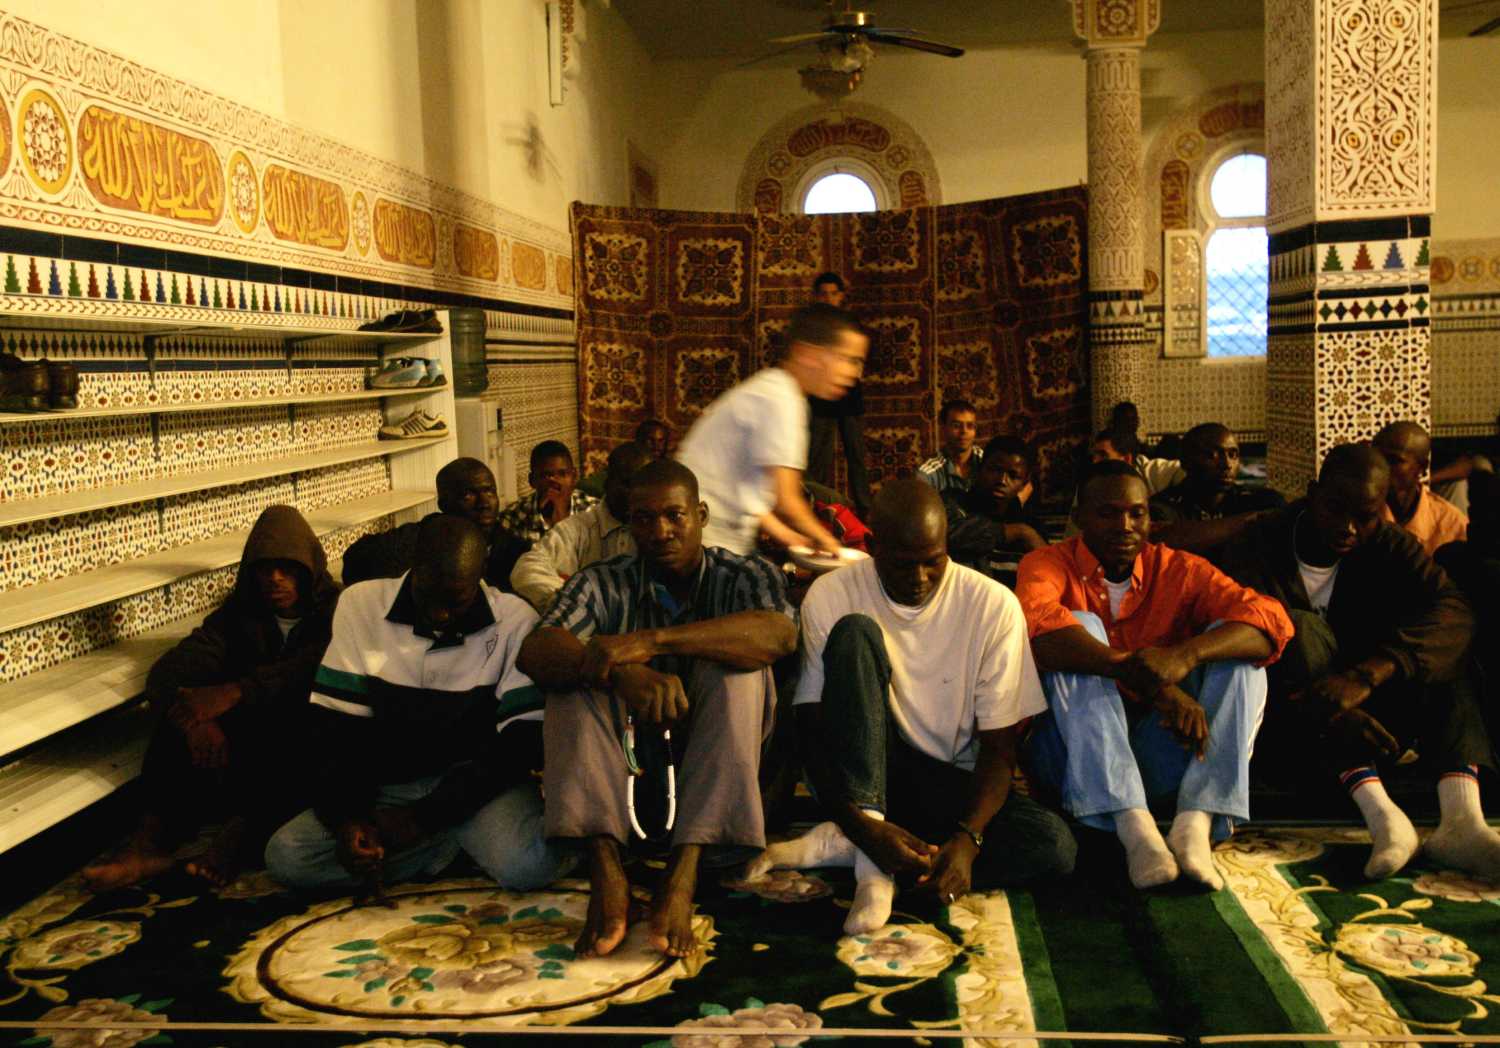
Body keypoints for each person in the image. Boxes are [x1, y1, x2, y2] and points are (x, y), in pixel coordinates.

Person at [749, 480, 1075, 934]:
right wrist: (861, 822)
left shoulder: (993, 606)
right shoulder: (832, 594)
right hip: (854, 775)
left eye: (933, 562)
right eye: (903, 565)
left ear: (947, 548)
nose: (920, 578)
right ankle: (871, 866)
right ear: (874, 546)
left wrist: (968, 840)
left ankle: (859, 846)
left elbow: (999, 751)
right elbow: (811, 732)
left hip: (936, 782)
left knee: (1053, 846)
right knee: (856, 633)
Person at [517, 460, 796, 959]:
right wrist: (618, 672)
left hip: (722, 772)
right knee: (575, 676)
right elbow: (535, 650)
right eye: (643, 519)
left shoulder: (744, 575)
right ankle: (607, 872)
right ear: (628, 526)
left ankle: (683, 874)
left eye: (674, 515)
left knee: (736, 671)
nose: (660, 531)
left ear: (701, 515)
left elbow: (779, 634)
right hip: (631, 769)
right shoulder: (602, 581)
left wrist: (649, 642)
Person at [1222, 444, 1498, 880]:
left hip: (1371, 707)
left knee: (1446, 652)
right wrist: (1334, 713)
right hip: (1288, 716)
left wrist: (1369, 675)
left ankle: (1462, 821)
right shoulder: (1261, 542)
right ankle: (1384, 817)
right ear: (1313, 494)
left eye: (1365, 516)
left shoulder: (1389, 544)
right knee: (1294, 627)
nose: (1348, 527)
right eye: (1335, 509)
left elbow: (1454, 610)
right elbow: (1239, 638)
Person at [1016, 460, 1293, 890]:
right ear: (1078, 519)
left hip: (1158, 753)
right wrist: (1155, 684)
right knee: (1077, 628)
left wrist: (1186, 655)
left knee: (1241, 657)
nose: (1124, 525)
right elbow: (1040, 631)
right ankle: (1135, 829)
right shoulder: (1045, 564)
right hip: (1068, 760)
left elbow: (1270, 620)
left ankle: (1193, 824)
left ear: (1151, 516)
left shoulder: (1178, 569)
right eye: (1107, 513)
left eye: (1136, 513)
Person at [264, 516, 568, 893]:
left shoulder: (514, 621)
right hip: (388, 786)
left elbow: (517, 749)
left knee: (530, 867)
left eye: (454, 601)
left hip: (474, 788)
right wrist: (349, 819)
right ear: (414, 566)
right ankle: (450, 848)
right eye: (429, 596)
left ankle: (434, 843)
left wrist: (424, 818)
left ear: (481, 575)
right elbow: (333, 730)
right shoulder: (361, 605)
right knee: (288, 856)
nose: (439, 614)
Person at [83, 506, 340, 891]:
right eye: (264, 568)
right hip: (244, 751)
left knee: (301, 731)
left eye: (287, 568)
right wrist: (196, 723)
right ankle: (147, 845)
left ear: (308, 569)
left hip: (309, 745)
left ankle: (237, 839)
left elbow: (314, 668)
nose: (275, 579)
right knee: (178, 717)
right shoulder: (240, 615)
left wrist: (236, 691)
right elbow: (168, 674)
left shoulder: (338, 610)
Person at [678, 302, 866, 556]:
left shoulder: (774, 390)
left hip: (702, 538)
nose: (855, 372)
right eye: (848, 360)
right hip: (703, 544)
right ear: (806, 354)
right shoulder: (781, 399)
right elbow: (786, 500)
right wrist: (834, 547)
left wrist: (791, 537)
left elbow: (744, 496)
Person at [511, 442, 652, 613]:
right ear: (607, 481)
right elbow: (526, 570)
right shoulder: (581, 527)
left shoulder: (658, 528)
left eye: (643, 485)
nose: (635, 492)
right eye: (627, 483)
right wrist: (580, 603)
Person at [341, 457, 503, 586]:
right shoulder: (423, 537)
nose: (484, 504)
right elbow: (356, 559)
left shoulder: (509, 541)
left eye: (490, 492)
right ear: (443, 505)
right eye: (468, 495)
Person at [1151, 423, 1285, 560]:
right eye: (1212, 455)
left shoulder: (1255, 500)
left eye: (1233, 455)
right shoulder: (1163, 507)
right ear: (1185, 462)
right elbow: (1163, 542)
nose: (1227, 464)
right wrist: (1250, 521)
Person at [805, 273, 872, 517]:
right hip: (821, 396)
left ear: (841, 296)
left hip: (848, 394)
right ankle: (818, 508)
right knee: (818, 457)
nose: (829, 298)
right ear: (815, 296)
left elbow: (860, 354)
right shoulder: (811, 325)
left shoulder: (850, 322)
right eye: (824, 293)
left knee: (856, 454)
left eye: (834, 293)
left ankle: (865, 511)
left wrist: (855, 370)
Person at [943, 436, 1048, 586]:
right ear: (979, 468)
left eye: (1013, 475)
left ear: (1024, 482)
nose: (1002, 480)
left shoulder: (1031, 523)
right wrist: (1015, 532)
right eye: (995, 470)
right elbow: (945, 537)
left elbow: (1048, 575)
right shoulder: (953, 502)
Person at [1373, 421, 1468, 556]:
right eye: (1377, 459)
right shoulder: (1359, 515)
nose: (1381, 468)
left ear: (1422, 467)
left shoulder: (1452, 524)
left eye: (1394, 460)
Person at [579, 419, 671, 498]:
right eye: (650, 440)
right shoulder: (622, 464)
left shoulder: (668, 470)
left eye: (661, 440)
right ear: (639, 440)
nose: (656, 446)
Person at [1090, 428, 1184, 496]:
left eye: (1103, 455)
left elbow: (1186, 470)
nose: (1095, 461)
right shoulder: (1095, 482)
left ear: (1127, 459)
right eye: (1094, 455)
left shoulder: (1151, 472)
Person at [918, 400, 982, 495]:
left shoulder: (987, 462)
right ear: (943, 428)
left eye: (970, 426)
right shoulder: (928, 474)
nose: (964, 431)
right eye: (956, 426)